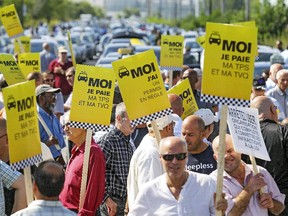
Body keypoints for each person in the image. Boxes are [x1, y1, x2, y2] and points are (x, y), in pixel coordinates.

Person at [129, 136, 227, 216]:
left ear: (187, 157)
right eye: (168, 157)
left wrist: (222, 213)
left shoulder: (207, 184)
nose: (174, 162)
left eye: (180, 156)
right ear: (160, 159)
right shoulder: (149, 191)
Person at [211, 134, 285, 216]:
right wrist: (249, 189)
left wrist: (272, 203)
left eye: (230, 151)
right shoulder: (214, 181)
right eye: (221, 153)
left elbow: (280, 208)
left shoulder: (259, 172)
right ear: (216, 158)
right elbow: (231, 214)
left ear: (239, 150)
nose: (226, 156)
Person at [127, 114, 177, 210]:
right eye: (173, 125)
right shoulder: (151, 154)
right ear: (169, 127)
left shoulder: (152, 149)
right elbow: (151, 196)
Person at [60, 112, 106, 215]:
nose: (65, 128)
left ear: (84, 126)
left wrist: (85, 213)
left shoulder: (94, 152)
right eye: (64, 125)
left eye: (69, 124)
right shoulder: (76, 150)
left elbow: (94, 189)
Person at [250, 96, 288, 215]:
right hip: (282, 202)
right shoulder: (283, 132)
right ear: (272, 109)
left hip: (251, 202)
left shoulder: (242, 137)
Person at [98, 102, 135, 216]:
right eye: (131, 119)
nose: (134, 123)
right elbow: (96, 174)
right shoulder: (107, 141)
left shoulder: (128, 141)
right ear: (119, 118)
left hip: (124, 201)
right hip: (112, 202)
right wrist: (106, 199)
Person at [35, 84, 66, 165]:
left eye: (54, 96)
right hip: (45, 165)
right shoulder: (35, 119)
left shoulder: (54, 117)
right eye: (51, 96)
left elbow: (60, 145)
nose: (54, 99)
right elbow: (30, 150)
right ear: (41, 99)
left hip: (58, 163)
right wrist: (47, 144)